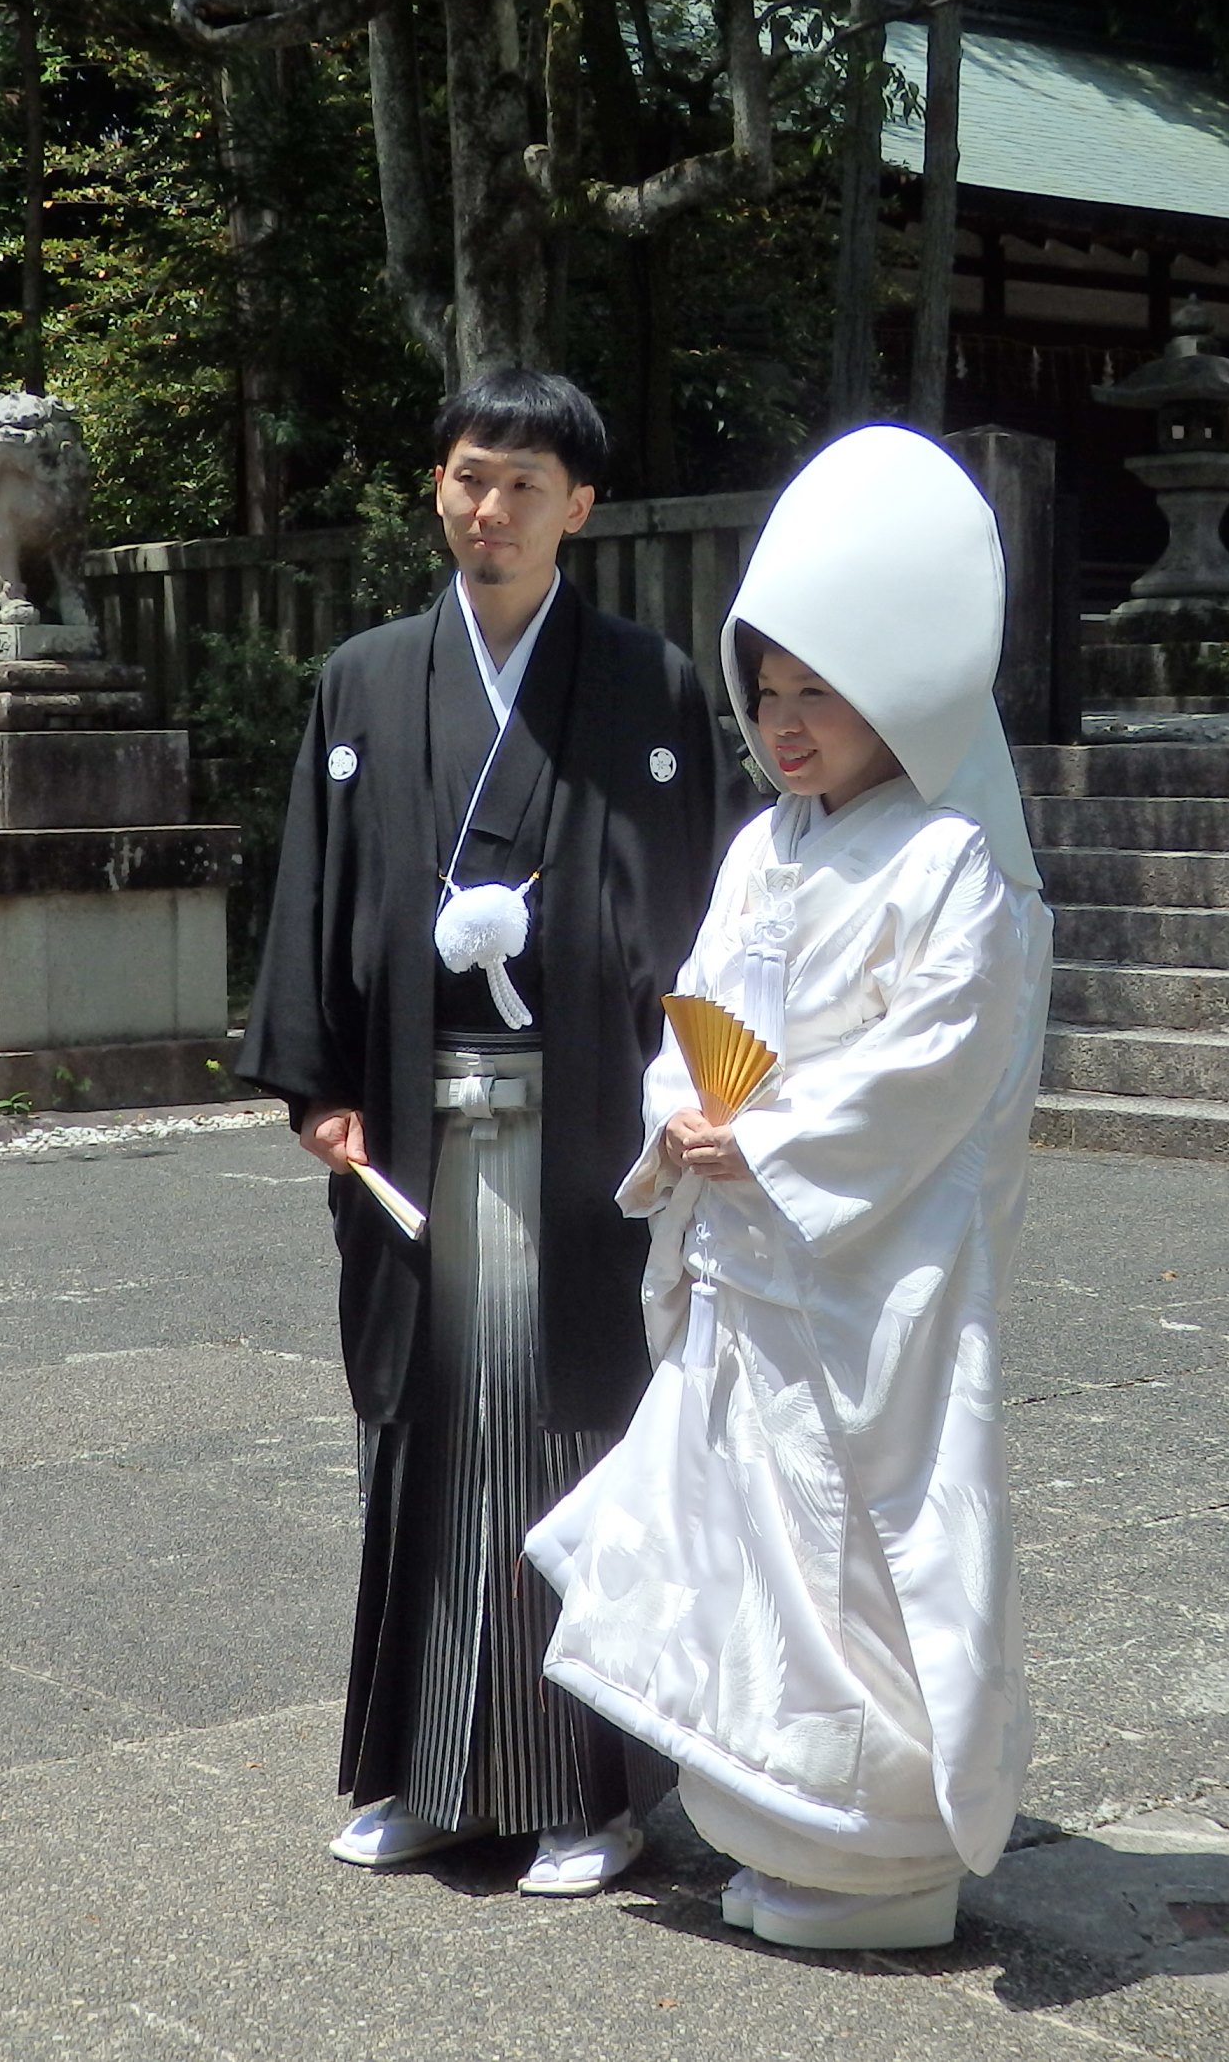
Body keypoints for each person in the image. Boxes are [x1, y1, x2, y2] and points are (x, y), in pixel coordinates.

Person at [525, 424, 1056, 1953]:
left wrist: (761, 1138)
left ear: (899, 689)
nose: (781, 721)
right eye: (764, 692)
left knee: (865, 1542)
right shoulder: (763, 847)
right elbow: (702, 1015)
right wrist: (689, 1117)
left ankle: (881, 1843)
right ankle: (771, 1814)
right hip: (753, 1266)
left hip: (869, 1270)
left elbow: (935, 1065)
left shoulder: (958, 866)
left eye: (816, 689)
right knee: (745, 1546)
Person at [238, 366, 747, 1900]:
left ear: (578, 506)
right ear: (436, 486)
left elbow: (703, 915)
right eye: (468, 477)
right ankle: (418, 1770)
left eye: (524, 485)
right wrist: (316, 1078)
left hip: (585, 1127)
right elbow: (317, 887)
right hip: (417, 1122)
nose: (489, 509)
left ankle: (592, 1791)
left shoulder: (649, 683)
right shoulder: (367, 677)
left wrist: (716, 1088)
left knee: (571, 1439)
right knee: (427, 1443)